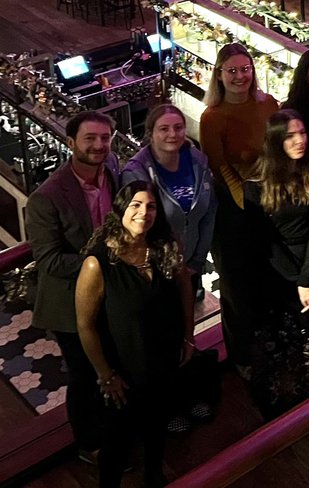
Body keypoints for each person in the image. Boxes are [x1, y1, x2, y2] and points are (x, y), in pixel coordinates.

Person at [75, 181, 193, 488]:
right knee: (117, 443)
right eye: (135, 206)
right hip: (124, 373)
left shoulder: (166, 246)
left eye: (150, 206)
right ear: (120, 211)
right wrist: (106, 375)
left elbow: (184, 290)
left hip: (164, 361)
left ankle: (154, 475)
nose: (144, 213)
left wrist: (188, 337)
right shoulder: (97, 263)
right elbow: (85, 324)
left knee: (157, 427)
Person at [26, 111, 119, 462]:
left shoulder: (114, 175)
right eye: (90, 139)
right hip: (70, 303)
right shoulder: (46, 197)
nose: (98, 145)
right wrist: (102, 262)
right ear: (71, 143)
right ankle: (89, 443)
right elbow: (49, 261)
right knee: (84, 374)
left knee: (113, 364)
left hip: (112, 295)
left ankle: (115, 427)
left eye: (104, 138)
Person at [200, 43, 279, 372]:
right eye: (231, 70)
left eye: (244, 69)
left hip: (268, 202)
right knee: (237, 287)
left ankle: (269, 343)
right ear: (219, 74)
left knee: (268, 278)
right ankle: (242, 357)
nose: (239, 76)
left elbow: (278, 150)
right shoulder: (213, 117)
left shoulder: (268, 104)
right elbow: (221, 169)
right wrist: (248, 203)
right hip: (234, 212)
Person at [243, 111, 309, 417]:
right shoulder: (256, 183)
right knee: (275, 342)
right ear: (276, 140)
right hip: (276, 273)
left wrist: (308, 277)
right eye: (290, 135)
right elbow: (265, 242)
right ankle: (275, 408)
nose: (300, 140)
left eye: (302, 132)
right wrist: (299, 280)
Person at [120, 103, 216, 301]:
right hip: (156, 271)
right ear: (151, 133)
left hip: (190, 265)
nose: (173, 134)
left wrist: (196, 262)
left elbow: (209, 214)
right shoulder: (137, 172)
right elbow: (137, 229)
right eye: (164, 129)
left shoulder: (197, 160)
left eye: (178, 127)